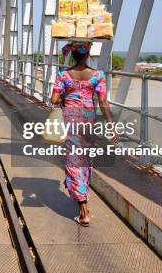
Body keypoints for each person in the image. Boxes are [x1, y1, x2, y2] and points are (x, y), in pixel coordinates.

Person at [50, 42, 116, 227]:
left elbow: (54, 99)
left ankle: (83, 209)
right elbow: (103, 103)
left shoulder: (63, 75)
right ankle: (82, 198)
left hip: (71, 121)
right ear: (87, 55)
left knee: (73, 160)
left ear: (72, 56)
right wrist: (112, 126)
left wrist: (66, 97)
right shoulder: (98, 76)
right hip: (88, 122)